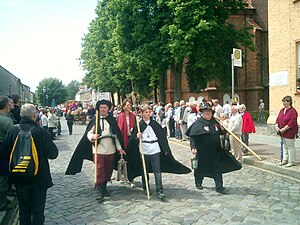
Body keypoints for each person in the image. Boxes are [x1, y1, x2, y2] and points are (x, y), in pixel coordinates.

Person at [0, 103, 58, 224]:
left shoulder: (12, 131)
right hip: (39, 178)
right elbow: (53, 154)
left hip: (19, 177)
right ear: (34, 115)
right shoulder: (41, 132)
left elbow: (3, 154)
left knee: (24, 211)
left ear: (21, 115)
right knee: (38, 212)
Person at [126, 104, 191, 199]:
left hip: (155, 149)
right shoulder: (139, 125)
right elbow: (132, 140)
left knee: (157, 170)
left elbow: (162, 137)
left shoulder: (154, 124)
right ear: (142, 113)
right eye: (146, 112)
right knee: (145, 170)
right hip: (144, 149)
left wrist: (165, 150)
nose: (148, 114)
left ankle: (160, 190)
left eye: (149, 112)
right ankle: (146, 188)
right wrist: (137, 137)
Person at [65, 99, 125, 201]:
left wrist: (120, 148)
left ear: (108, 109)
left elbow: (116, 136)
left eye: (104, 107)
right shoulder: (95, 119)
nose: (102, 109)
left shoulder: (112, 120)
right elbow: (88, 132)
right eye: (101, 107)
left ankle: (104, 187)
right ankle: (100, 191)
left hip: (110, 149)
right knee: (100, 170)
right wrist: (93, 136)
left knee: (108, 170)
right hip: (98, 149)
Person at [186, 103, 241, 194]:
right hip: (203, 151)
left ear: (212, 113)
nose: (207, 113)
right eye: (205, 112)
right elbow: (193, 137)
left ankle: (219, 186)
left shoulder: (215, 122)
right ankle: (198, 182)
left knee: (217, 168)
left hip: (215, 150)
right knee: (200, 168)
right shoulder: (198, 123)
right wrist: (193, 147)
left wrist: (223, 129)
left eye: (209, 112)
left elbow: (221, 133)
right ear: (202, 113)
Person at [275, 96, 298, 167]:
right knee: (284, 146)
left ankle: (292, 161)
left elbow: (292, 122)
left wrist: (284, 129)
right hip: (282, 132)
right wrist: (276, 126)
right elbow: (278, 119)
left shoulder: (293, 111)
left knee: (290, 146)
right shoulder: (282, 110)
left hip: (290, 131)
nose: (283, 103)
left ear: (289, 102)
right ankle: (285, 159)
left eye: (284, 102)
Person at [0, 96, 14, 211]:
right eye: (9, 104)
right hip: (3, 151)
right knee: (3, 178)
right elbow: (12, 138)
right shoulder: (7, 120)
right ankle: (2, 203)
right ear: (5, 105)